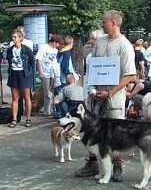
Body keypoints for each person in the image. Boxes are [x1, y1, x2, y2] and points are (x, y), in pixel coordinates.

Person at [75, 10, 136, 182]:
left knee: (115, 133)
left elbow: (129, 75)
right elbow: (93, 67)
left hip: (114, 98)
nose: (102, 24)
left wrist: (110, 92)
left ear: (114, 23)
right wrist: (93, 89)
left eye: (104, 22)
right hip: (96, 96)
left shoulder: (125, 45)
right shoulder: (100, 41)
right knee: (91, 129)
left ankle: (117, 166)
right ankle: (93, 162)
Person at [6, 29, 34, 128]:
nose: (13, 39)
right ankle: (14, 119)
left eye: (15, 37)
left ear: (20, 38)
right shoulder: (10, 50)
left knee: (27, 97)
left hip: (24, 74)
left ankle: (28, 119)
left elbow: (32, 61)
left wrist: (29, 73)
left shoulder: (26, 49)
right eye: (12, 37)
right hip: (13, 74)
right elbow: (9, 61)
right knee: (15, 98)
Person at [36, 35, 62, 116]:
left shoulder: (55, 50)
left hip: (52, 73)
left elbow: (54, 62)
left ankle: (50, 109)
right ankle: (47, 111)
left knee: (52, 91)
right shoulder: (44, 47)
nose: (58, 46)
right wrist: (40, 72)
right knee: (47, 92)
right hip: (45, 72)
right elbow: (38, 59)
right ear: (54, 42)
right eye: (57, 44)